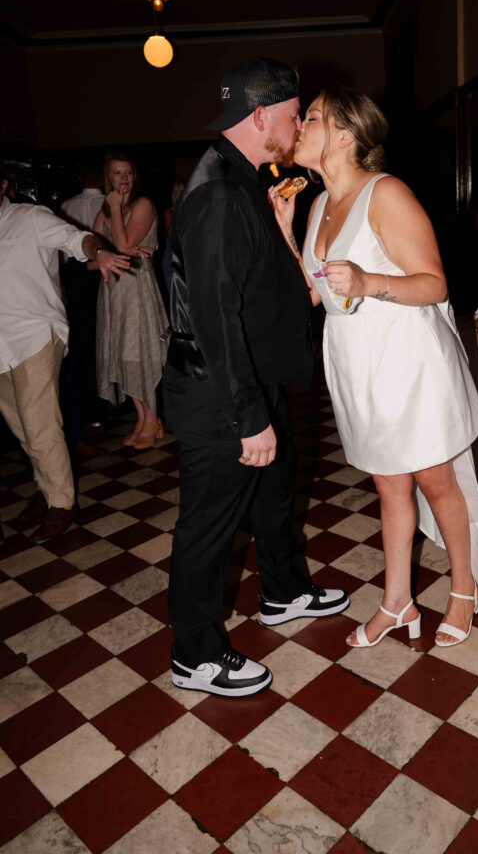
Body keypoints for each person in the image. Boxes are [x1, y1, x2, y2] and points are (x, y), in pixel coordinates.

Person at [270, 85, 478, 649]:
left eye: (311, 118)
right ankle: (398, 603)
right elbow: (312, 297)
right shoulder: (317, 204)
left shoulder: (385, 193)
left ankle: (463, 589)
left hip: (407, 363)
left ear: (345, 135)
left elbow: (435, 282)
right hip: (355, 365)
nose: (299, 127)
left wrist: (369, 282)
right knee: (389, 486)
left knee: (435, 483)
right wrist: (288, 232)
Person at [163, 56, 349, 699]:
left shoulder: (245, 176)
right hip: (220, 394)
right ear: (262, 114)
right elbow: (214, 319)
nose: (299, 128)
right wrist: (249, 416)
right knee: (209, 528)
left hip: (251, 380)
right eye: (295, 116)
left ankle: (284, 591)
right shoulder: (216, 192)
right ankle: (194, 653)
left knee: (275, 494)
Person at [0, 173, 133, 541]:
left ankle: (62, 502)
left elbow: (77, 240)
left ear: (4, 185)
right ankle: (46, 491)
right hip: (0, 345)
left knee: (39, 423)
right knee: (24, 429)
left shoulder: (30, 218)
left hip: (36, 335)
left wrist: (100, 251)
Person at [93, 153, 168, 449]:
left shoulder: (143, 205)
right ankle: (143, 418)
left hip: (137, 289)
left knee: (141, 355)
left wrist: (113, 209)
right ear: (107, 177)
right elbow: (90, 259)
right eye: (116, 173)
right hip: (113, 292)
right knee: (124, 357)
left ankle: (152, 418)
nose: (123, 179)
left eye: (128, 173)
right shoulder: (104, 212)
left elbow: (122, 246)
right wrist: (104, 255)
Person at [60, 163, 106, 456]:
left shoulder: (66, 205)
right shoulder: (106, 203)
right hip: (101, 272)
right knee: (94, 342)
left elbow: (65, 254)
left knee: (85, 344)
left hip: (78, 278)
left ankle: (91, 410)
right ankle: (98, 407)